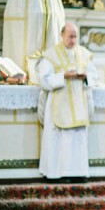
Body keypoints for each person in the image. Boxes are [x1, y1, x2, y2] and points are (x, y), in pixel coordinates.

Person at [38, 23, 98, 181]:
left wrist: (86, 76)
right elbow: (44, 80)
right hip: (59, 101)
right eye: (70, 36)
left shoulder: (84, 54)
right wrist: (63, 76)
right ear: (62, 35)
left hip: (78, 102)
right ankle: (56, 173)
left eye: (75, 36)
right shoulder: (51, 55)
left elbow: (94, 76)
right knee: (59, 139)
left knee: (77, 139)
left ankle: (78, 173)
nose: (73, 40)